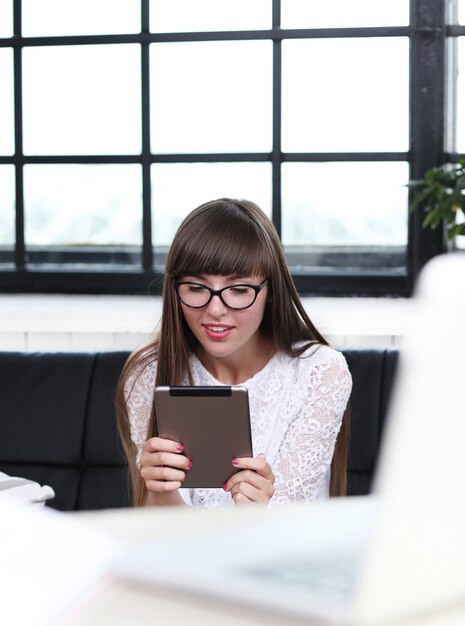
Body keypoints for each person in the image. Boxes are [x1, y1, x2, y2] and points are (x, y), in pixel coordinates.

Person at [116, 198, 352, 508]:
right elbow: (164, 539)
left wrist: (258, 511)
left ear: (270, 291)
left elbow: (292, 536)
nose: (215, 310)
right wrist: (161, 491)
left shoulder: (321, 373)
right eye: (196, 287)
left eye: (239, 290)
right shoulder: (148, 372)